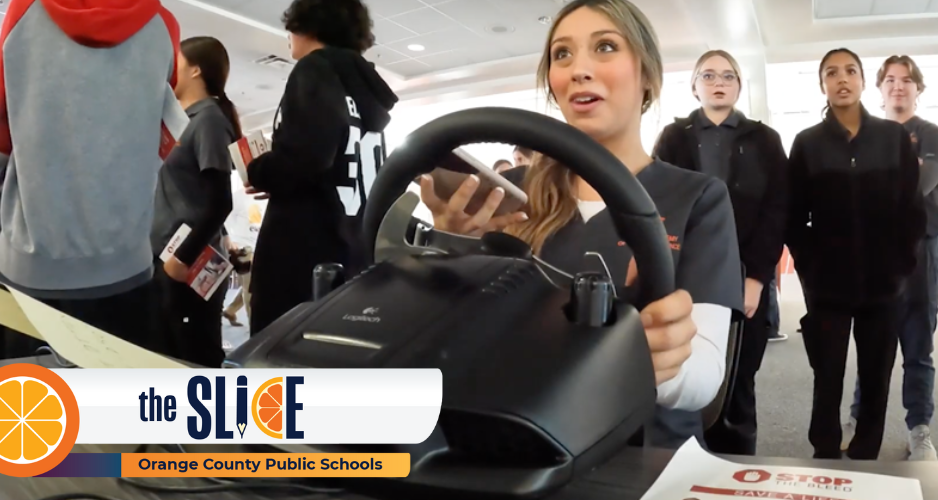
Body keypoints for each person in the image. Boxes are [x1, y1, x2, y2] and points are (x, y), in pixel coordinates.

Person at [418, 0, 743, 448]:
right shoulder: (503, 193)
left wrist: (657, 360)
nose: (578, 70)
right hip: (514, 436)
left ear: (647, 75)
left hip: (640, 449)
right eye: (562, 55)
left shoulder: (699, 198)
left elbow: (703, 378)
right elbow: (449, 343)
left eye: (605, 47)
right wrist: (449, 250)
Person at [0, 0, 179, 358]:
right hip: (125, 264)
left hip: (32, 266)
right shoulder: (163, 25)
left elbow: (4, 131)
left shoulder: (23, 12)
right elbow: (162, 132)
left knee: (30, 407)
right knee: (116, 407)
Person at [787, 48, 925, 460]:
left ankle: (866, 449)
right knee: (826, 372)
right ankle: (824, 448)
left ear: (864, 81)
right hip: (827, 283)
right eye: (831, 72)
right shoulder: (807, 143)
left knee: (877, 372)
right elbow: (793, 217)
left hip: (883, 282)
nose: (841, 78)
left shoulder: (892, 137)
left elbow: (911, 209)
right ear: (822, 85)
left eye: (850, 71)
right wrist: (810, 268)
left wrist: (901, 267)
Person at [653, 50, 788, 456]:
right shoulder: (674, 138)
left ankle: (736, 464)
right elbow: (658, 206)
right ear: (694, 86)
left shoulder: (764, 139)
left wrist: (757, 278)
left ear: (738, 87)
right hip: (686, 278)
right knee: (684, 376)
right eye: (708, 75)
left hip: (746, 276)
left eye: (728, 76)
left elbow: (778, 208)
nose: (719, 82)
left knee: (738, 381)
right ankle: (688, 462)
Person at [244, 0, 399, 335]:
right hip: (352, 247)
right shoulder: (364, 89)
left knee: (279, 367)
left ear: (308, 25)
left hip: (303, 253)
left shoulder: (315, 69)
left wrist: (259, 170)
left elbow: (306, 157)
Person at [844, 55, 938, 461]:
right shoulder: (863, 133)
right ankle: (859, 416)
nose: (898, 86)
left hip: (921, 251)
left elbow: (922, 182)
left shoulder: (931, 134)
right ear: (879, 89)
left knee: (917, 345)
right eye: (890, 80)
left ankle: (919, 427)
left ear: (919, 89)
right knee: (872, 341)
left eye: (907, 80)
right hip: (873, 254)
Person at [150, 36, 239, 368]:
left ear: (196, 70)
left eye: (178, 63)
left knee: (193, 355)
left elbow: (220, 201)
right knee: (166, 354)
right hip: (163, 256)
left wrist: (181, 258)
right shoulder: (181, 122)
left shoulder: (209, 120)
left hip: (186, 263)